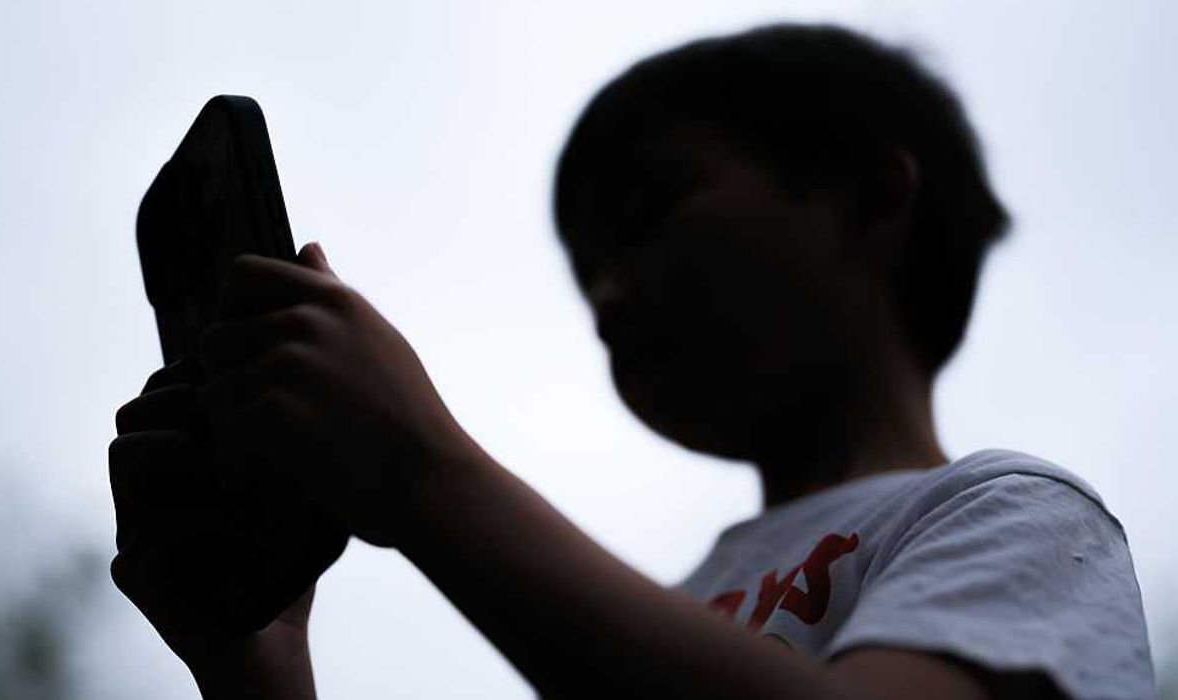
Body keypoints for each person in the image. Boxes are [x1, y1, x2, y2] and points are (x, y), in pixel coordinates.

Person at [109, 22, 1156, 700]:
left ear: (872, 203)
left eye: (650, 214)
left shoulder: (1012, 516)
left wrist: (419, 471)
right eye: (585, 271)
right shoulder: (660, 617)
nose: (606, 296)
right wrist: (261, 668)